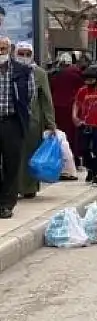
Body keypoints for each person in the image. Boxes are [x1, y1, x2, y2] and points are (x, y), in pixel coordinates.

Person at [14, 42, 55, 199]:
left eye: (27, 54)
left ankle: (29, 188)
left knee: (31, 155)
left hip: (33, 122)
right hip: (13, 121)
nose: (24, 57)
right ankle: (13, 188)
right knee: (12, 155)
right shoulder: (8, 71)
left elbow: (46, 99)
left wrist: (51, 123)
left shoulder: (39, 73)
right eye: (21, 53)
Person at [0, 37, 36, 218]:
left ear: (9, 49)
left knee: (11, 164)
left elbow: (30, 95)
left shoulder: (22, 71)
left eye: (4, 48)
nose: (1, 52)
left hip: (12, 122)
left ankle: (6, 204)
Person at [49, 52, 83, 178]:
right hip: (71, 107)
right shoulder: (76, 73)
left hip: (57, 107)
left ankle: (61, 159)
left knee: (59, 134)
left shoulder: (55, 74)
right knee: (73, 135)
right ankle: (74, 159)